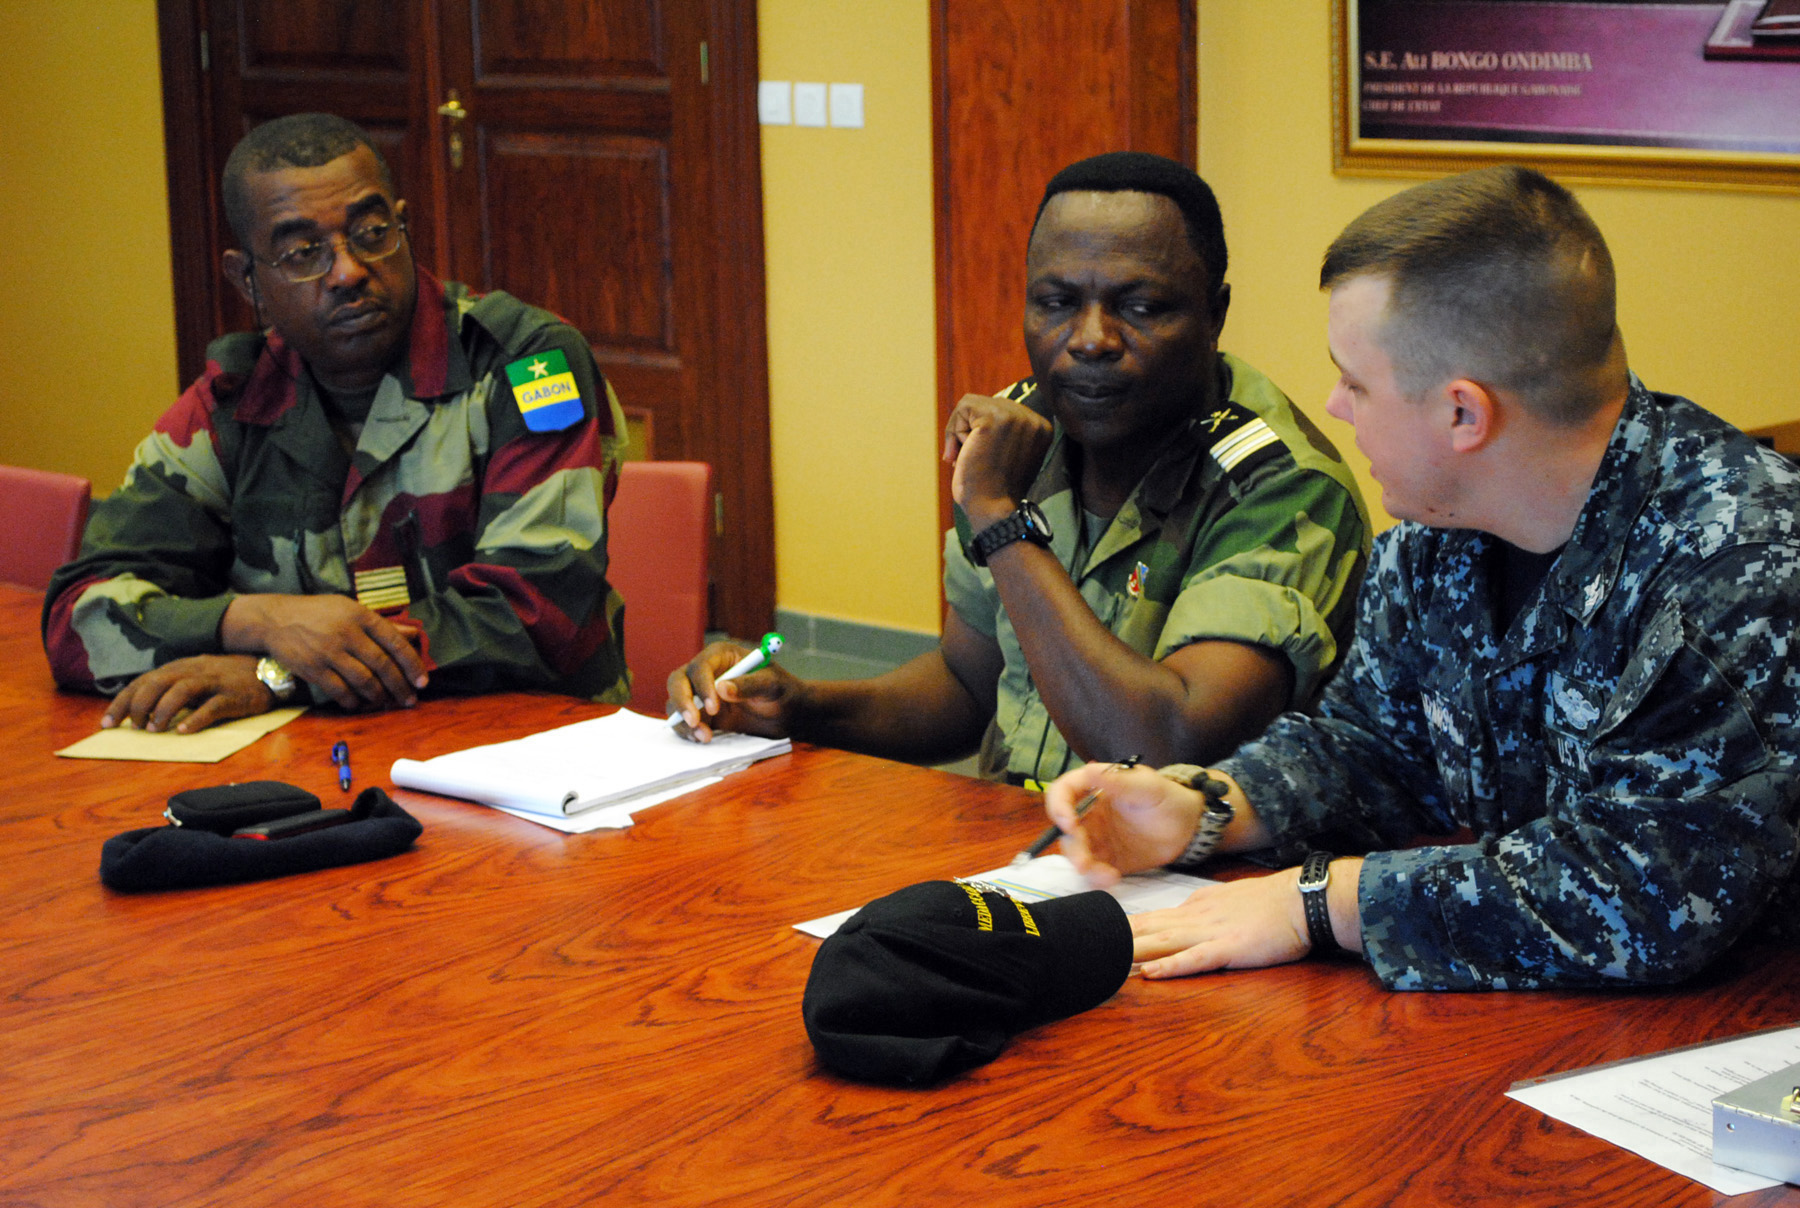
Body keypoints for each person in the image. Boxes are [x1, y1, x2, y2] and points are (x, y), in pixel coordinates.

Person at [1046, 164, 1800, 991]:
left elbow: (1641, 893)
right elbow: (1377, 746)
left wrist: (1321, 903)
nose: (1334, 405)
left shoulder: (1740, 573)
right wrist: (1210, 809)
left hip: (1740, 1039)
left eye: (1356, 381)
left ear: (1462, 414)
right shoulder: (1438, 533)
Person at [670, 152, 1368, 782]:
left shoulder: (1279, 487)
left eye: (1142, 306)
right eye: (1058, 303)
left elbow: (1163, 740)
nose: (1092, 340)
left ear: (1214, 315)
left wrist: (1000, 521)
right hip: (1014, 855)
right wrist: (802, 705)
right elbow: (967, 687)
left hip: (1201, 888)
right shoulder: (1018, 434)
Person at [44, 113, 631, 732]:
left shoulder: (526, 364)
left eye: (372, 232)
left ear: (404, 225)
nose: (348, 271)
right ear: (247, 280)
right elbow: (74, 619)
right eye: (303, 253)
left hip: (527, 757)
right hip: (314, 757)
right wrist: (260, 622)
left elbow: (537, 612)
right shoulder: (233, 403)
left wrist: (281, 676)